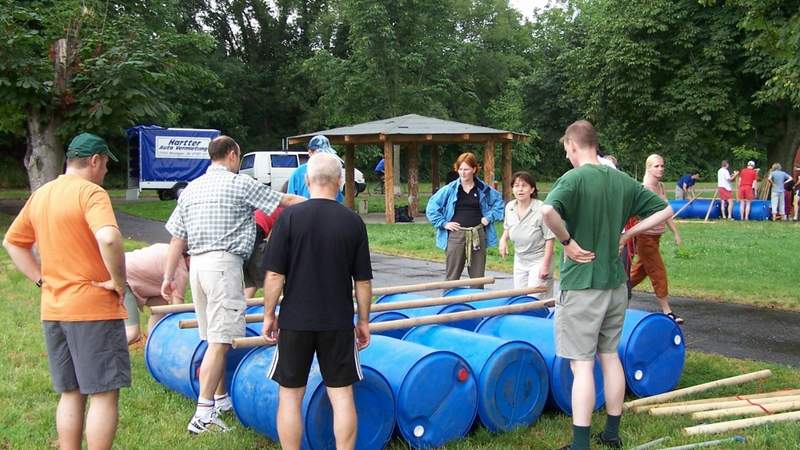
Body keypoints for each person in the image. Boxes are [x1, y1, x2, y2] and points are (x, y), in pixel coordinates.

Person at [541, 121, 673, 450]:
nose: (567, 156)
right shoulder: (621, 180)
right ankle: (611, 435)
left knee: (582, 365)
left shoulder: (572, 179)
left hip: (582, 285)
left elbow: (547, 212)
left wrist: (568, 242)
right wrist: (628, 234)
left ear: (573, 145)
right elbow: (666, 209)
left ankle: (580, 444)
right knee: (609, 355)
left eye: (566, 150)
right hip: (616, 283)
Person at [162, 135, 305, 434]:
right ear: (231, 155)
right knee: (220, 339)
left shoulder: (191, 189)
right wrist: (321, 203)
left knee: (211, 334)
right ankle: (202, 415)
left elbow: (176, 237)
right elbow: (285, 201)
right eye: (238, 157)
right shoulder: (238, 183)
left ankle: (220, 398)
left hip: (198, 265)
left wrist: (168, 276)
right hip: (223, 265)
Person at [3, 132, 130, 449]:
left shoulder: (43, 194)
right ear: (95, 161)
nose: (105, 174)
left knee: (71, 392)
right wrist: (117, 282)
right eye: (105, 167)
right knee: (102, 394)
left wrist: (40, 279)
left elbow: (13, 242)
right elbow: (110, 238)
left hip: (54, 310)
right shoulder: (91, 193)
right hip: (93, 310)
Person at [261, 152, 372, 450]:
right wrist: (363, 321)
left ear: (307, 181)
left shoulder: (289, 219)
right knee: (342, 395)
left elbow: (274, 276)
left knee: (290, 395)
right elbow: (362, 281)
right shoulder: (353, 222)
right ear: (339, 182)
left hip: (295, 320)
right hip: (337, 322)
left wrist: (269, 314)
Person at [426, 152, 504, 284]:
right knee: (452, 276)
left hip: (477, 234)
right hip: (456, 234)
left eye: (466, 169)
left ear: (474, 169)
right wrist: (443, 223)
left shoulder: (483, 189)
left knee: (478, 277)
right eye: (460, 169)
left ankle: (475, 302)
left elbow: (499, 203)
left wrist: (489, 218)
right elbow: (432, 207)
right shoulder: (450, 189)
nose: (463, 173)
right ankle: (450, 303)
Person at [630, 155, 684, 324]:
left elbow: (666, 212)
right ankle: (667, 311)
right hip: (645, 237)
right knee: (658, 271)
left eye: (662, 166)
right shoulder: (645, 188)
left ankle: (616, 291)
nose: (660, 169)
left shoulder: (660, 186)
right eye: (656, 166)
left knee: (639, 272)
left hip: (656, 237)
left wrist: (675, 232)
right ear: (648, 168)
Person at [499, 171, 555, 292]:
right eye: (516, 186)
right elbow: (508, 227)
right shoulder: (510, 207)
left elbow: (550, 239)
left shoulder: (541, 209)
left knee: (535, 299)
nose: (520, 189)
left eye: (524, 186)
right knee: (520, 298)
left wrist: (545, 265)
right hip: (520, 259)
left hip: (539, 259)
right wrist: (503, 240)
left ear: (532, 189)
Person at [124, 243, 189, 344]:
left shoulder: (168, 248)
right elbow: (178, 309)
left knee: (161, 301)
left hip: (116, 266)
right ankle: (102, 355)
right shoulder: (180, 268)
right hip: (120, 279)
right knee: (132, 333)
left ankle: (153, 343)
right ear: (189, 258)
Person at [287, 135, 344, 203]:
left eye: (326, 154)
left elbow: (338, 201)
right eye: (320, 154)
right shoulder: (298, 173)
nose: (323, 157)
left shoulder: (331, 171)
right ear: (310, 153)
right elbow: (290, 200)